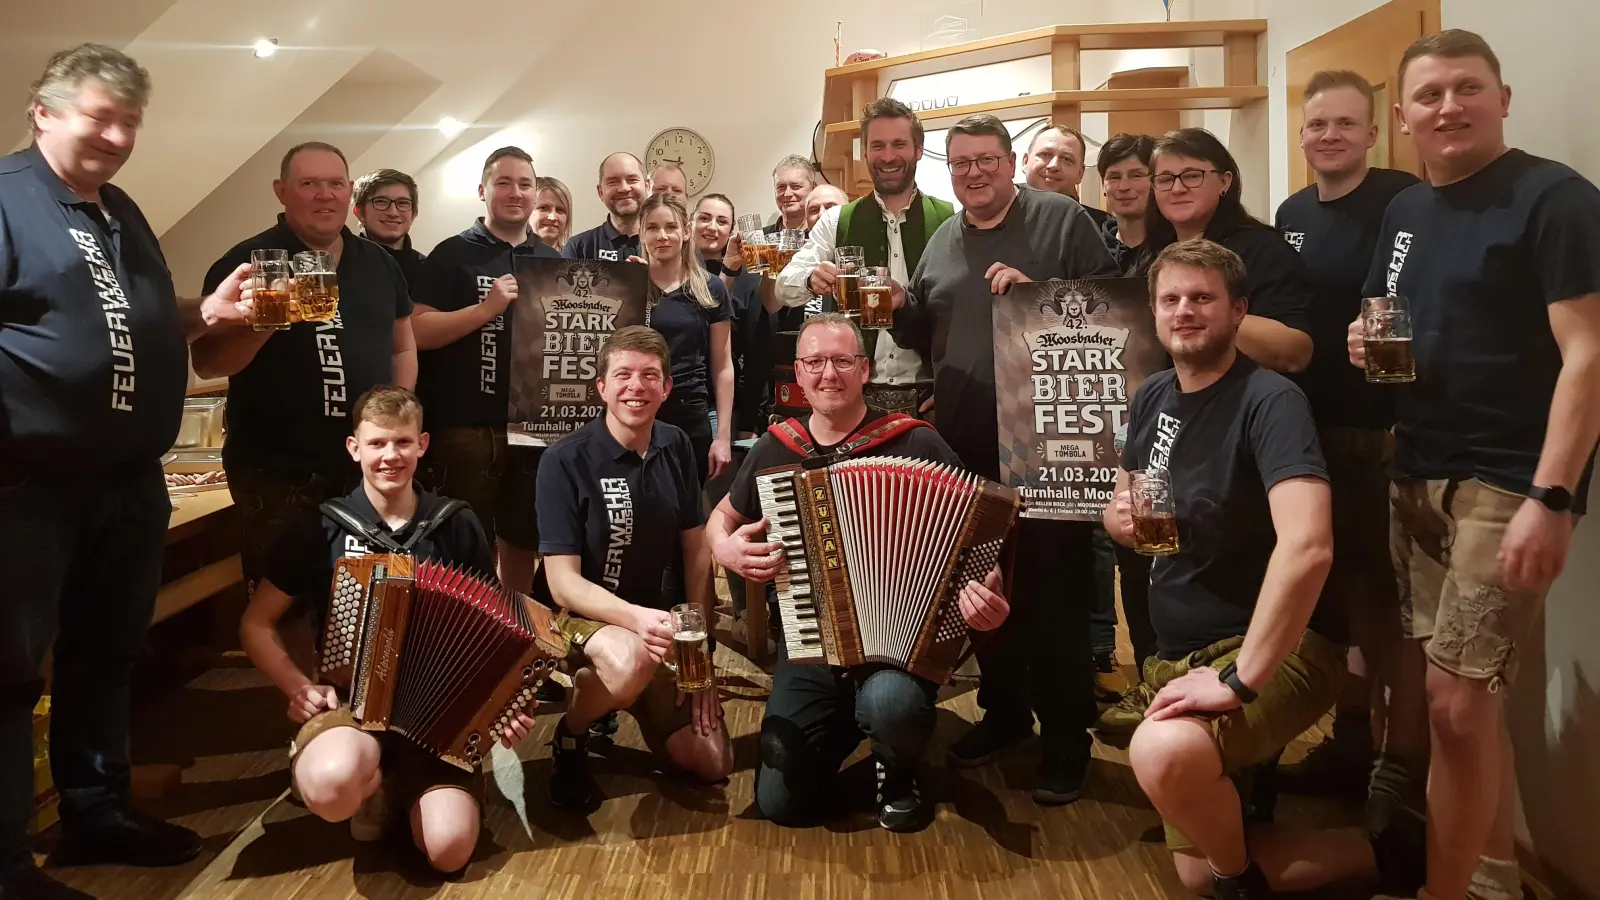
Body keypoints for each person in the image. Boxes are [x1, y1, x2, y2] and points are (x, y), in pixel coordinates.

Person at [1346, 30, 1600, 900]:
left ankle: (1441, 893)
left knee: (1455, 709)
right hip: (1416, 469)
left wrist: (1554, 497)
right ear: (1403, 116)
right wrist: (1363, 341)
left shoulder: (1555, 199)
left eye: (1467, 88)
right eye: (1430, 95)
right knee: (1461, 710)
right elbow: (1388, 318)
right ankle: (1492, 879)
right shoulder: (1406, 212)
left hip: (1508, 479)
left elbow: (1590, 354)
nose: (1448, 107)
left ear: (1503, 98)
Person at [0, 43, 255, 900]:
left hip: (128, 480)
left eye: (130, 123)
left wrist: (207, 312)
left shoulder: (120, 208)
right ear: (43, 112)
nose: (116, 137)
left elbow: (139, 315)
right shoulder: (5, 200)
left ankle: (95, 814)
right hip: (28, 485)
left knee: (106, 656)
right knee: (9, 673)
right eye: (99, 118)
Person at [1111, 239, 1423, 900]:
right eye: (1171, 299)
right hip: (1179, 652)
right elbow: (1127, 499)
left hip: (1277, 650)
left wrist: (1239, 680)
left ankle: (1238, 884)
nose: (1184, 310)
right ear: (1154, 313)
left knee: (1163, 752)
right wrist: (1120, 519)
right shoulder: (1153, 396)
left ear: (1239, 311)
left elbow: (1309, 546)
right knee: (1195, 870)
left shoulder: (1270, 400)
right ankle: (1390, 854)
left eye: (1203, 298)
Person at [706, 313, 1011, 831]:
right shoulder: (777, 447)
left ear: (864, 370)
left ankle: (898, 764)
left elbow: (976, 534)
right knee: (781, 805)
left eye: (842, 361)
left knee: (890, 704)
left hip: (899, 650)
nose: (829, 374)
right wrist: (725, 549)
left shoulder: (917, 442)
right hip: (811, 642)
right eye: (815, 362)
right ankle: (858, 725)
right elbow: (722, 518)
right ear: (798, 374)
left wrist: (987, 590)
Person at [891, 113, 1119, 804]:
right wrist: (897, 305)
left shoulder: (1061, 221)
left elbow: (1117, 313)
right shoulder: (942, 240)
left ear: (1011, 163)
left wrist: (1041, 300)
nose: (974, 173)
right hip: (964, 448)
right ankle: (1006, 714)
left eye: (986, 160)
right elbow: (924, 328)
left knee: (1054, 598)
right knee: (982, 594)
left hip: (1049, 448)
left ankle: (1066, 739)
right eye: (961, 163)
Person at [238, 386, 532, 874]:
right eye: (376, 443)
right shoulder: (322, 527)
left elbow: (494, 628)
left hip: (439, 721)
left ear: (423, 445)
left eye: (402, 442)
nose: (390, 456)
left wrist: (504, 705)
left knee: (450, 851)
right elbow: (255, 623)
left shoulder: (455, 523)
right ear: (354, 449)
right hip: (352, 707)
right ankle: (371, 782)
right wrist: (298, 687)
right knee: (331, 790)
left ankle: (400, 790)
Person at [1099, 128, 1322, 738]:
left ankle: (1236, 703)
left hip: (1244, 429)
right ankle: (1162, 679)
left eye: (1190, 174)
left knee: (1230, 549)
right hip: (1172, 412)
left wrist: (1202, 311)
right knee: (1154, 557)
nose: (1174, 187)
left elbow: (1298, 349)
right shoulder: (1153, 253)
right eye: (1164, 177)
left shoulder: (1259, 250)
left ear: (1225, 180)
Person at [1273, 70, 1425, 818]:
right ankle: (1351, 743)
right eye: (1316, 124)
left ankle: (1400, 772)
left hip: (1380, 433)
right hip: (1308, 427)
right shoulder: (1292, 212)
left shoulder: (1404, 200)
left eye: (1344, 123)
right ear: (1301, 136)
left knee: (1385, 604)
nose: (1329, 135)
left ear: (1373, 130)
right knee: (1335, 596)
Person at [192, 141, 418, 591]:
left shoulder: (379, 262)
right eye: (309, 183)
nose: (324, 195)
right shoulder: (246, 261)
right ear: (281, 191)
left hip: (363, 468)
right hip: (277, 472)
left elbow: (402, 348)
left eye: (335, 184)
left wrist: (397, 420)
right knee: (280, 603)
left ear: (349, 192)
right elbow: (208, 365)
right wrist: (269, 320)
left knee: (365, 597)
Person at [534, 326, 734, 809]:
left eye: (649, 376)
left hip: (653, 625)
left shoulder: (676, 444)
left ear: (666, 388)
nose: (636, 387)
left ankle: (621, 695)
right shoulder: (563, 459)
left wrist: (699, 654)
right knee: (630, 660)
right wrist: (637, 620)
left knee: (712, 763)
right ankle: (572, 733)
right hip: (575, 618)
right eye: (623, 375)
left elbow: (697, 550)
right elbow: (561, 583)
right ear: (602, 387)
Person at [410, 146, 561, 597]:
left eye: (525, 184)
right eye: (503, 183)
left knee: (523, 537)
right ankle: (467, 627)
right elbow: (417, 331)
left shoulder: (550, 258)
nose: (516, 193)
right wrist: (486, 309)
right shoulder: (451, 253)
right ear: (482, 190)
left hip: (533, 429)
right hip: (465, 429)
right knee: (463, 540)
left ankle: (515, 623)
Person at [777, 98, 950, 408]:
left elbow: (963, 317)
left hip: (931, 396)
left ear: (918, 150)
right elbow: (784, 286)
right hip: (855, 398)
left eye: (899, 144)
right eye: (877, 146)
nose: (888, 156)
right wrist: (810, 279)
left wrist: (953, 385)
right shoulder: (836, 220)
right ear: (865, 153)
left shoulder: (949, 219)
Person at [637, 193, 735, 486]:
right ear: (641, 233)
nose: (662, 236)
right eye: (652, 228)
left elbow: (723, 366)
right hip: (636, 411)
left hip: (690, 417)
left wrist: (723, 436)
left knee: (688, 507)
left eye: (670, 227)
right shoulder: (627, 283)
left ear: (686, 231)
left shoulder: (711, 288)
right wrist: (626, 279)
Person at [1096, 132, 1175, 277]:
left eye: (1136, 175)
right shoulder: (1092, 251)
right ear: (1103, 185)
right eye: (1114, 177)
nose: (1123, 187)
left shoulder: (1176, 249)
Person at [565, 151, 649, 262]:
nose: (624, 188)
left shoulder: (664, 244)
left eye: (632, 180)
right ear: (600, 192)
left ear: (647, 186)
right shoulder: (578, 247)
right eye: (613, 182)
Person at [352, 168, 428, 289]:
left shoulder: (430, 269)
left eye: (403, 203)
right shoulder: (340, 264)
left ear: (413, 214)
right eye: (381, 201)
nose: (393, 213)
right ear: (359, 212)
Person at [1023, 123, 1111, 226]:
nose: (1054, 165)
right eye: (1045, 154)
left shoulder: (1102, 228)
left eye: (1066, 159)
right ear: (1025, 161)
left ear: (1080, 173)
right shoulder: (1005, 216)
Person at [764, 155, 818, 234]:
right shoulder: (761, 238)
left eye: (796, 186)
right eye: (781, 187)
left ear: (813, 189)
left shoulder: (824, 236)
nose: (787, 194)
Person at [532, 175, 573, 252]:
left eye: (560, 210)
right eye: (543, 208)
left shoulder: (574, 257)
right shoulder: (509, 257)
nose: (553, 217)